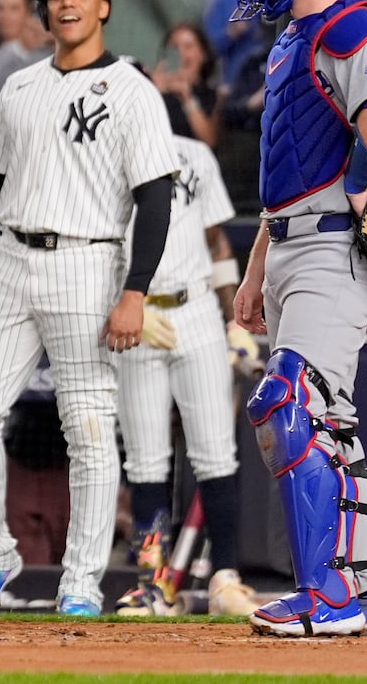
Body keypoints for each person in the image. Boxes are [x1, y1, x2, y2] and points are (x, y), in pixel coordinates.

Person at [0, 0, 178, 617]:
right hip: (11, 259)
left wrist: (135, 289)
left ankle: (82, 576)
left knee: (88, 426)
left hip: (88, 260)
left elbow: (156, 198)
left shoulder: (133, 90)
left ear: (104, 5)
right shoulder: (19, 85)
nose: (66, 2)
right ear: (45, 9)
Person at [230, 0, 367, 637]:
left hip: (335, 244)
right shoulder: (292, 38)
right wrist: (252, 271)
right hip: (294, 240)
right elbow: (288, 168)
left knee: (286, 403)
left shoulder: (345, 22)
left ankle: (327, 592)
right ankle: (360, 588)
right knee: (327, 418)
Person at [110, 78, 259, 618]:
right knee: (147, 458)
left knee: (216, 452)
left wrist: (234, 323)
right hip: (137, 314)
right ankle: (153, 583)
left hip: (195, 307)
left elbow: (218, 242)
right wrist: (123, 303)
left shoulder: (194, 154)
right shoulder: (107, 156)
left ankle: (225, 577)